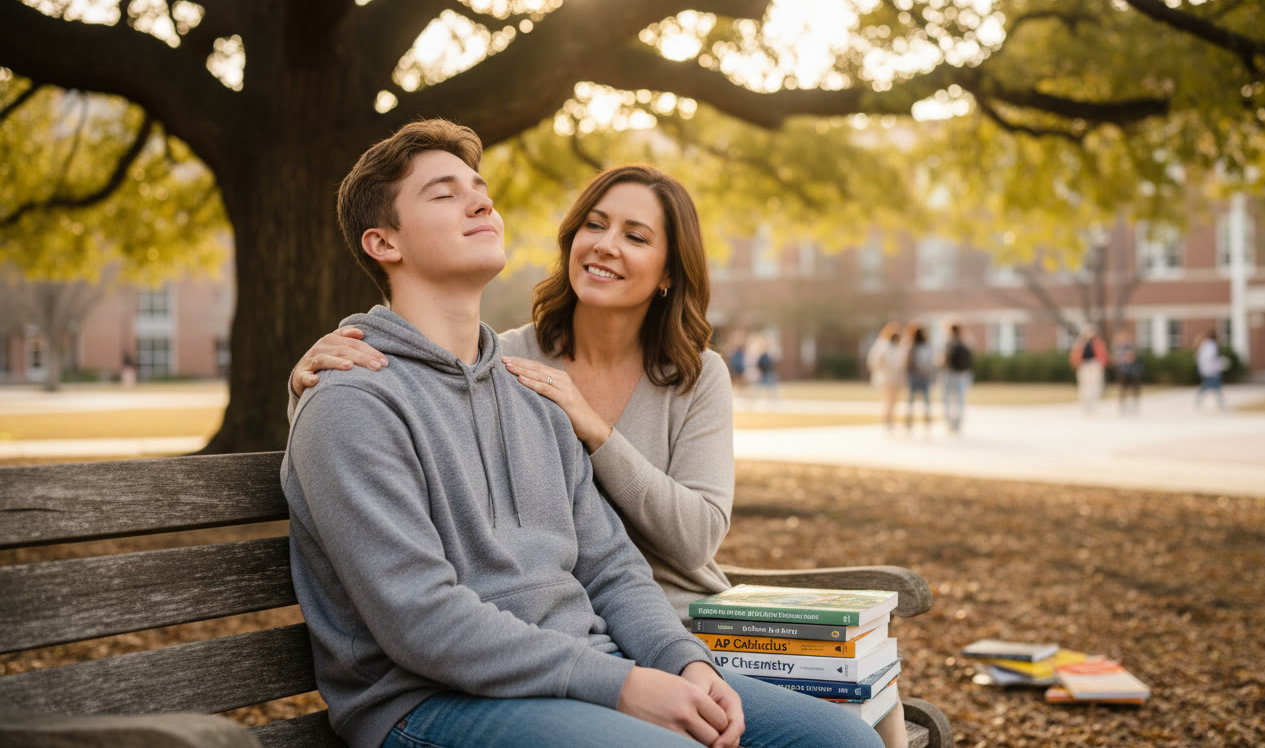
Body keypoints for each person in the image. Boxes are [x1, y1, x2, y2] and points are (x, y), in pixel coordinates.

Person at [284, 119, 886, 748]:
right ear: (383, 243)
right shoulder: (351, 400)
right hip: (429, 701)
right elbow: (422, 619)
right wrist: (623, 686)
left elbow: (613, 567)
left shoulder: (531, 390)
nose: (482, 201)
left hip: (584, 670)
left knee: (843, 741)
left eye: (480, 189)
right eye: (444, 193)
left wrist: (686, 663)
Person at [866, 321, 907, 430]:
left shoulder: (900, 345)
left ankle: (890, 419)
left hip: (896, 377)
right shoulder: (882, 345)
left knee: (894, 400)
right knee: (889, 399)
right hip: (886, 376)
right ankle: (887, 419)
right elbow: (874, 361)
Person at [941, 323, 974, 433]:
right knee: (960, 399)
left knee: (947, 399)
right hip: (962, 374)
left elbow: (944, 358)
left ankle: (950, 422)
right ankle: (958, 423)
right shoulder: (966, 341)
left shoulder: (948, 342)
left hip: (950, 373)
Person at [1069, 326, 1109, 413]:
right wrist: (1076, 364)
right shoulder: (1080, 343)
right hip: (1084, 366)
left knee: (1095, 385)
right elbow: (1075, 355)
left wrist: (1101, 363)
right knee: (1084, 386)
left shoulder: (1097, 343)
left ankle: (1093, 403)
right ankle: (1085, 404)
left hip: (1094, 365)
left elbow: (1102, 354)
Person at [904, 324, 935, 431]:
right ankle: (927, 421)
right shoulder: (927, 347)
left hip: (914, 377)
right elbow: (931, 363)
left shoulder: (911, 346)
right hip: (925, 377)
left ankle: (909, 422)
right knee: (926, 401)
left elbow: (907, 363)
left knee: (911, 401)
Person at [1195, 329, 1227, 409]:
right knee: (1216, 387)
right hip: (1211, 370)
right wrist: (1220, 363)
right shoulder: (1211, 345)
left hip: (1206, 369)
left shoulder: (1205, 344)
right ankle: (1221, 403)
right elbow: (1211, 357)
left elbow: (1199, 357)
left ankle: (1199, 401)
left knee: (1207, 386)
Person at [1112, 329, 1142, 413]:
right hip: (1122, 370)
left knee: (1134, 388)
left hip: (1133, 371)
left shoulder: (1131, 346)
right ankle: (1123, 404)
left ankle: (1134, 404)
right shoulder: (1117, 347)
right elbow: (1116, 359)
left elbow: (1133, 358)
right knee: (1122, 388)